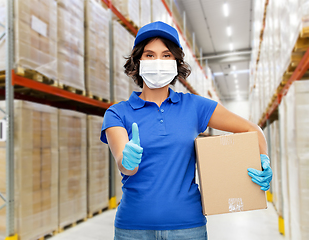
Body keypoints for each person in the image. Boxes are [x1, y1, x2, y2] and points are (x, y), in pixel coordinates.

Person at [100, 21, 272, 240]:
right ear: (138, 61)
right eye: (149, 55)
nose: (158, 62)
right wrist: (128, 160)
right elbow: (126, 167)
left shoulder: (195, 107)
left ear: (176, 62)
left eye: (166, 55)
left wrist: (263, 158)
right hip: (133, 229)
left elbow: (251, 129)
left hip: (188, 228)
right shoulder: (117, 113)